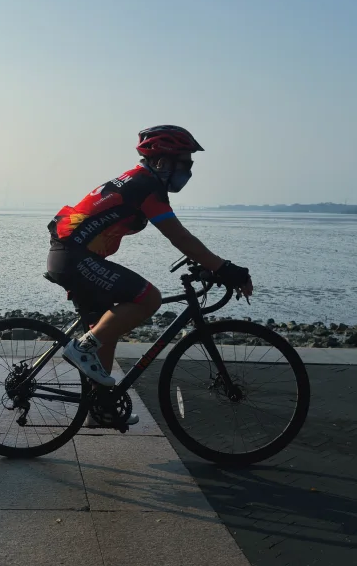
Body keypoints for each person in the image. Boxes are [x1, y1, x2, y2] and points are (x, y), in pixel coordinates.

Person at [46, 125, 253, 394]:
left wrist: (209, 264)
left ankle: (100, 407)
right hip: (74, 258)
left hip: (70, 256)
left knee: (106, 331)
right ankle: (82, 348)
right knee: (149, 298)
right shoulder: (146, 187)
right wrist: (226, 268)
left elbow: (182, 239)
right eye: (185, 163)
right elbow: (180, 237)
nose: (189, 171)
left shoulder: (138, 181)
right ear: (161, 162)